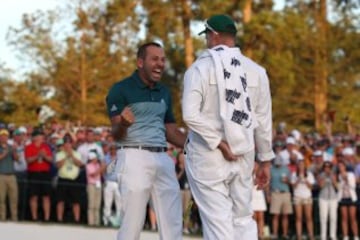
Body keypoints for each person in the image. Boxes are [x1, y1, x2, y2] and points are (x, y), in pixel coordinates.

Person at [182, 14, 275, 240]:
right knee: (243, 218)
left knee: (217, 222)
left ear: (213, 35)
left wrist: (219, 142)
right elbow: (263, 121)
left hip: (209, 154)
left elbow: (190, 115)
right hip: (244, 151)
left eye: (206, 36)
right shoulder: (257, 71)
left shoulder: (199, 69)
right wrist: (265, 160)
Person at [106, 42, 186, 240]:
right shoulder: (121, 89)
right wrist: (123, 123)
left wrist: (199, 146)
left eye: (162, 59)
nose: (160, 64)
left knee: (173, 222)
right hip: (133, 156)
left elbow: (171, 131)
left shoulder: (164, 92)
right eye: (154, 59)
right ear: (140, 62)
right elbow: (116, 134)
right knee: (132, 222)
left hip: (163, 157)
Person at [24, 128, 53, 221]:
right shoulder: (29, 147)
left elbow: (51, 160)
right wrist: (38, 155)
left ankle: (47, 218)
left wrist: (44, 156)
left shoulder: (46, 147)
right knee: (34, 196)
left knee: (46, 196)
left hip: (45, 173)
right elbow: (28, 160)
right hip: (34, 173)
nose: (42, 138)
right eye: (40, 136)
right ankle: (34, 217)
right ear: (35, 137)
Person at [55, 135, 83, 223]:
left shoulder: (77, 153)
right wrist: (66, 156)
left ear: (72, 144)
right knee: (60, 201)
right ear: (63, 145)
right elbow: (58, 166)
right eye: (66, 144)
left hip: (74, 179)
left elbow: (79, 164)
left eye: (69, 144)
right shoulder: (59, 154)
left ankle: (77, 219)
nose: (67, 146)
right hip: (63, 179)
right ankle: (59, 219)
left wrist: (72, 156)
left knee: (76, 201)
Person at [290, 160, 315, 240]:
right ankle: (299, 236)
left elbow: (311, 187)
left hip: (307, 197)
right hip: (297, 197)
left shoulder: (309, 174)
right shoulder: (294, 174)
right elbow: (293, 186)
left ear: (305, 166)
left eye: (302, 165)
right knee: (298, 217)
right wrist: (298, 179)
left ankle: (311, 235)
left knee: (308, 217)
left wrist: (304, 178)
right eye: (299, 165)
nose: (301, 166)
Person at [0, 129, 19, 221]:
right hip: (1, 175)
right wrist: (6, 152)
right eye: (2, 136)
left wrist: (14, 151)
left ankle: (14, 217)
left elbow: (17, 159)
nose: (4, 137)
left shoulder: (11, 147)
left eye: (5, 136)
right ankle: (2, 217)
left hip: (11, 175)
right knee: (1, 198)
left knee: (14, 198)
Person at [317, 161, 338, 240]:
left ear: (331, 168)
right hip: (323, 198)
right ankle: (323, 236)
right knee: (323, 217)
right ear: (323, 168)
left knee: (333, 217)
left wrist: (333, 179)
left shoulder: (334, 175)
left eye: (329, 167)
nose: (327, 168)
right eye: (325, 167)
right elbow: (321, 186)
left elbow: (336, 186)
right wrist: (325, 178)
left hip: (333, 198)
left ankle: (333, 235)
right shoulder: (320, 175)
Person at [86, 151, 102, 226]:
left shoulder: (98, 165)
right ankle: (91, 222)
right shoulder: (88, 165)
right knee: (91, 204)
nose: (96, 159)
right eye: (95, 158)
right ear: (92, 158)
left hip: (98, 185)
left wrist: (101, 168)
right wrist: (102, 168)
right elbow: (93, 174)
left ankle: (97, 222)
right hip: (91, 185)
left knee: (97, 204)